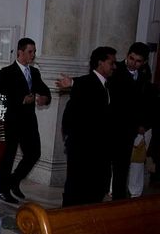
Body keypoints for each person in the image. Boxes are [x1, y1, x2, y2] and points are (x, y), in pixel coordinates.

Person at [0, 38, 51, 203]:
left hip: (29, 121)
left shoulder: (34, 73)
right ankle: (3, 189)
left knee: (34, 153)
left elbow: (44, 89)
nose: (33, 55)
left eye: (34, 52)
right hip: (12, 120)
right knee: (9, 155)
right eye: (30, 52)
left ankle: (13, 181)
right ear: (20, 52)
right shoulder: (7, 72)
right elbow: (0, 94)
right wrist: (20, 99)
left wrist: (44, 98)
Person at [61, 46, 116, 207]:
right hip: (83, 148)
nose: (114, 66)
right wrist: (71, 82)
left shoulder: (108, 85)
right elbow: (70, 112)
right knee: (76, 188)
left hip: (99, 149)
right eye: (111, 63)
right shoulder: (86, 83)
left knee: (96, 188)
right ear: (100, 63)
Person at [108, 42, 152, 199]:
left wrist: (143, 123)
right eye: (131, 58)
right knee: (104, 168)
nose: (133, 63)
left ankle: (118, 201)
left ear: (144, 62)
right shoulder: (115, 70)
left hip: (129, 131)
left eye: (138, 61)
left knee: (122, 168)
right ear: (127, 55)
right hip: (112, 127)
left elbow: (146, 101)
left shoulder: (145, 74)